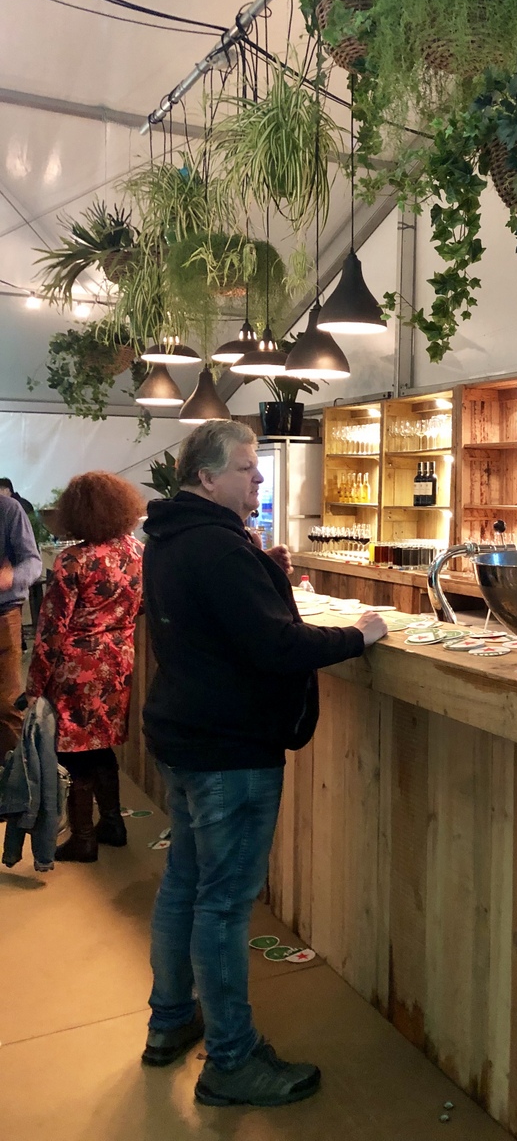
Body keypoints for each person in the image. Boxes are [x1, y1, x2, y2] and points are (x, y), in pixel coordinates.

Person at [140, 420, 388, 1109]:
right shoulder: (220, 548)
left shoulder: (171, 537)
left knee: (185, 885)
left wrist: (265, 575)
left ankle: (170, 1020)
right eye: (246, 468)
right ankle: (231, 1061)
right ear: (206, 476)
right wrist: (359, 635)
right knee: (223, 905)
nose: (258, 478)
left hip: (185, 735)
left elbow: (222, 623)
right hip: (230, 749)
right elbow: (277, 648)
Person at [25, 472, 144, 861]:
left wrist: (34, 686)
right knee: (101, 744)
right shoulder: (136, 551)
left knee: (73, 751)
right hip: (118, 661)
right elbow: (142, 605)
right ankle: (113, 823)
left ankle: (84, 837)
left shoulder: (73, 560)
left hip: (78, 666)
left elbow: (51, 630)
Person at [0, 494, 42, 757]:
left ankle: (17, 773)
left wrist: (12, 577)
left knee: (6, 705)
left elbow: (33, 562)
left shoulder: (7, 509)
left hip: (3, 614)